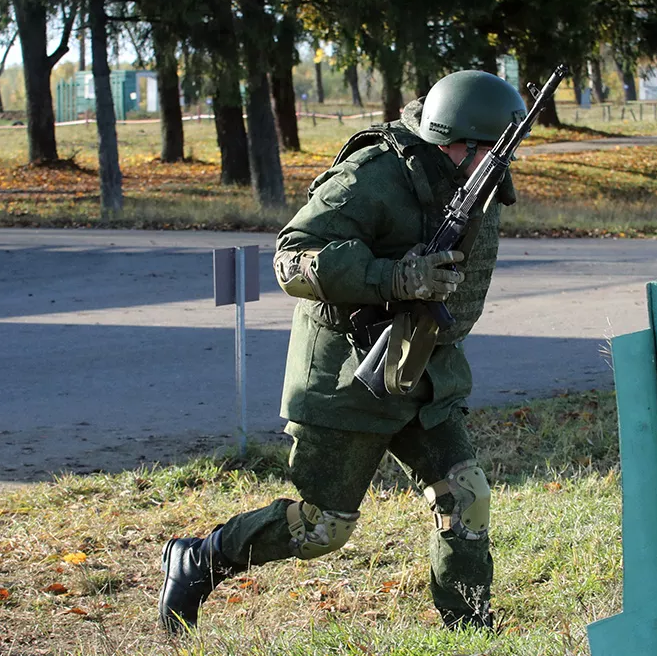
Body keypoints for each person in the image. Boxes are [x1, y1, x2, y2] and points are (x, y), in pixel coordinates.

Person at [157, 70, 527, 634]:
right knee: (322, 528)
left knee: (466, 494)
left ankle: (470, 627)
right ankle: (201, 557)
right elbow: (291, 257)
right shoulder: (374, 176)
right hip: (350, 374)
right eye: (495, 151)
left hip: (425, 370)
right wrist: (393, 277)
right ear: (459, 143)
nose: (502, 165)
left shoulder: (476, 180)